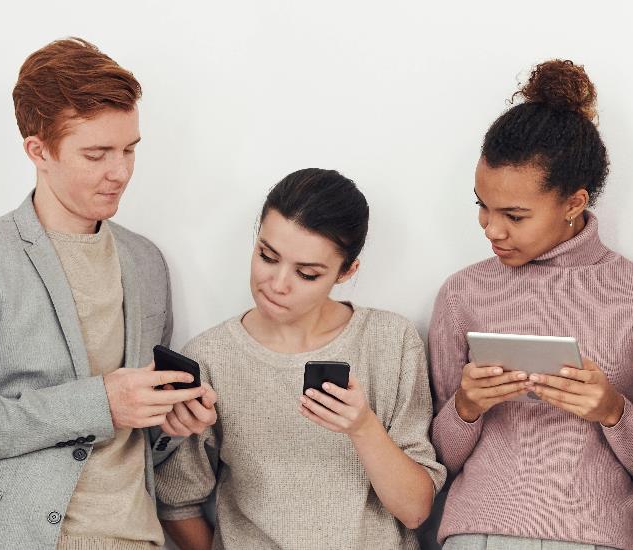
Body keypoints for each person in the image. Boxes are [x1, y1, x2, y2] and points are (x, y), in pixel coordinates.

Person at [0, 37, 216, 550]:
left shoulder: (146, 262)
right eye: (96, 153)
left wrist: (172, 423)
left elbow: (143, 438)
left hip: (137, 538)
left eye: (129, 149)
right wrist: (97, 402)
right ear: (38, 150)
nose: (121, 171)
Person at [428, 59, 633, 550]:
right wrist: (466, 407)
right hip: (475, 536)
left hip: (595, 540)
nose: (492, 228)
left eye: (515, 214)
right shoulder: (461, 294)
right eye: (482, 205)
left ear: (574, 202)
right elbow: (433, 461)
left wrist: (613, 412)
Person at [154, 168, 445, 549]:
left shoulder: (391, 341)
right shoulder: (210, 357)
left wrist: (362, 427)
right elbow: (177, 502)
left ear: (347, 272)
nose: (277, 284)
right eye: (267, 256)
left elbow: (415, 511)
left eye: (307, 274)